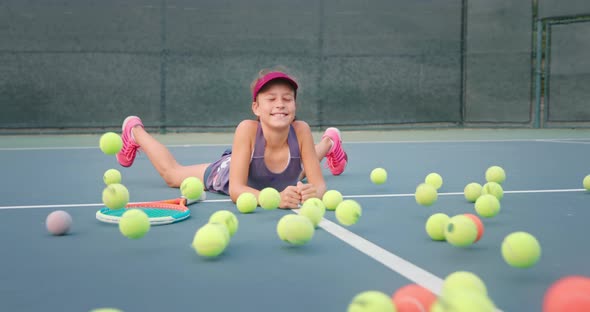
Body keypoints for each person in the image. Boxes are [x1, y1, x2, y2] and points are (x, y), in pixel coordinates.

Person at [116, 67, 348, 209]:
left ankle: (329, 141)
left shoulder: (301, 130)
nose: (280, 104)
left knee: (300, 170)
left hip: (280, 175)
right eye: (271, 99)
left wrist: (311, 193)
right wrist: (276, 199)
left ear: (295, 106)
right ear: (256, 108)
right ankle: (135, 131)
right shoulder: (246, 129)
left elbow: (318, 185)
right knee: (172, 175)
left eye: (287, 99)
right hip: (231, 172)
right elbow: (237, 189)